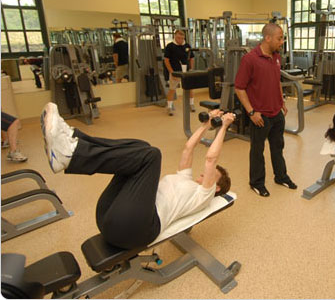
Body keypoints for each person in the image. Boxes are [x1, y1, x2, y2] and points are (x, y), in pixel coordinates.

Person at [40, 102, 232, 250]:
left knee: (152, 156)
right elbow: (189, 148)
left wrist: (223, 127)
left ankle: (73, 155)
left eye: (210, 176)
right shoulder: (185, 178)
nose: (203, 174)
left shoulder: (204, 196)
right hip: (110, 215)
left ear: (216, 188)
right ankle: (74, 141)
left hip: (136, 229)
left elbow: (210, 159)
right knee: (141, 146)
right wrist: (207, 125)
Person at [235, 23, 297, 197]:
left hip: (276, 112)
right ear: (267, 38)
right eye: (279, 38)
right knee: (257, 151)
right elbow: (239, 88)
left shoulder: (276, 56)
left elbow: (276, 80)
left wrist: (281, 100)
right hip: (260, 116)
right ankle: (256, 183)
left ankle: (281, 176)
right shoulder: (250, 59)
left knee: (278, 148)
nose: (282, 41)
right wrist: (251, 112)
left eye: (282, 37)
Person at [164, 30, 195, 116]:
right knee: (172, 89)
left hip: (186, 71)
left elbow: (192, 58)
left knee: (190, 89)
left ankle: (191, 104)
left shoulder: (187, 46)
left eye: (182, 38)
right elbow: (166, 60)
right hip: (175, 71)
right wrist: (171, 72)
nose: (180, 40)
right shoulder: (170, 46)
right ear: (175, 37)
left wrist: (191, 69)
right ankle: (169, 107)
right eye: (178, 38)